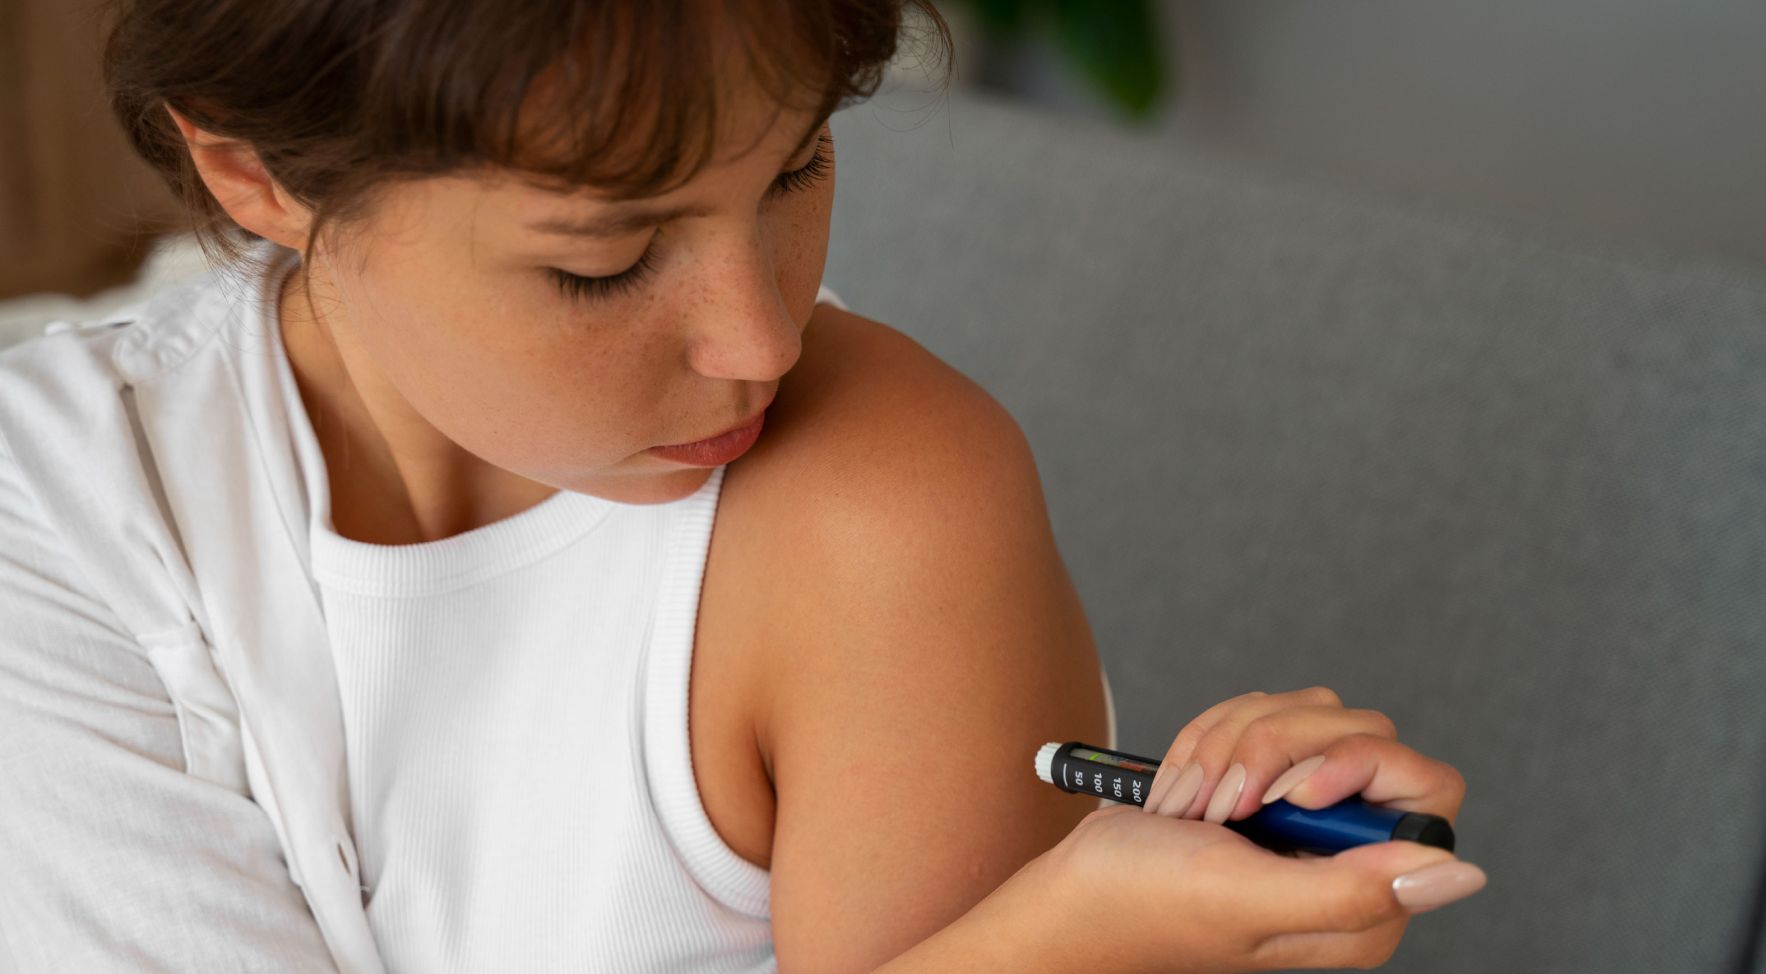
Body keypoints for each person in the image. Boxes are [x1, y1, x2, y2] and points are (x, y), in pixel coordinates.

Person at [0, 0, 1485, 971]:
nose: (762, 339)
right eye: (607, 261)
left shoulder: (889, 509)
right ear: (257, 177)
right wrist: (1054, 943)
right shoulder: (56, 506)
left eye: (796, 170)